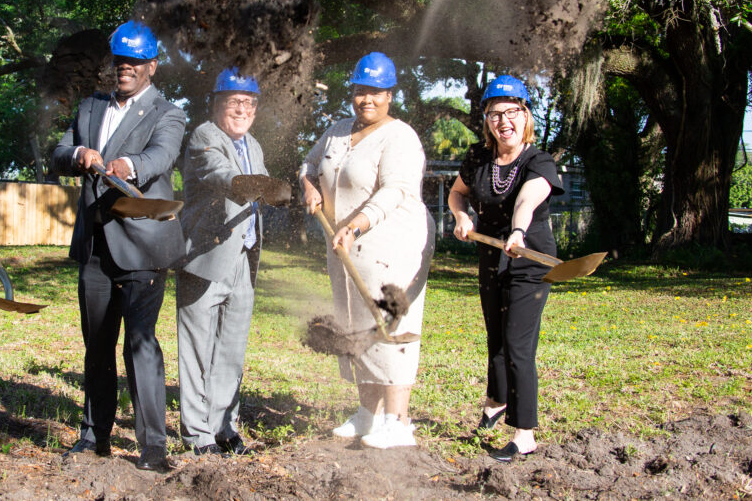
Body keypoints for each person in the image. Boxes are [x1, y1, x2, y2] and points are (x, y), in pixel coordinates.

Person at [51, 20, 185, 473]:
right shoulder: (90, 108)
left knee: (141, 344)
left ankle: (152, 447)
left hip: (144, 241)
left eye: (134, 62)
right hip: (94, 244)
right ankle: (94, 436)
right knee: (97, 345)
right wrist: (78, 156)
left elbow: (160, 157)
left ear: (151, 66)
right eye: (119, 61)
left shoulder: (169, 113)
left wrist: (124, 164)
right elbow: (58, 153)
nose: (124, 69)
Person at [300, 52, 435, 449]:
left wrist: (355, 224)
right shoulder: (337, 131)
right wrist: (308, 186)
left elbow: (396, 190)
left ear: (390, 95)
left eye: (376, 92)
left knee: (389, 323)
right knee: (355, 320)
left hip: (392, 245)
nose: (367, 99)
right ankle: (367, 414)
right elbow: (307, 166)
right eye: (360, 91)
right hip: (343, 246)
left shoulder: (401, 137)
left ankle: (398, 421)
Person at [447, 74, 564, 463]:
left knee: (517, 346)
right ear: (487, 121)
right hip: (490, 256)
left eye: (512, 112)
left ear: (525, 115)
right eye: (495, 114)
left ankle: (525, 433)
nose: (504, 121)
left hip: (529, 258)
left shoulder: (538, 160)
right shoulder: (479, 158)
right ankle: (495, 404)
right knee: (495, 338)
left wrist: (517, 230)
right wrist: (462, 217)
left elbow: (528, 200)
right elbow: (456, 194)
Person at [176, 68, 267, 456]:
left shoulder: (255, 145)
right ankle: (198, 435)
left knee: (231, 348)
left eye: (249, 103)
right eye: (234, 102)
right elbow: (219, 174)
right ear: (216, 105)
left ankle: (223, 426)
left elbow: (260, 181)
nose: (242, 110)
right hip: (205, 256)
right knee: (198, 349)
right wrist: (254, 186)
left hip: (242, 258)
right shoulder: (204, 136)